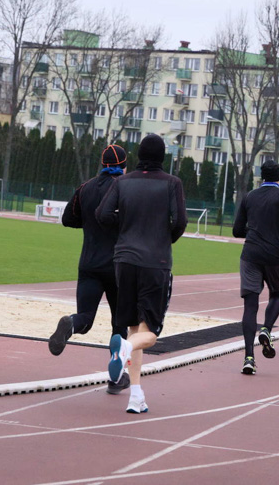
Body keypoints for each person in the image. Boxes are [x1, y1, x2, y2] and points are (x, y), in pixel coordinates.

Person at [97, 134, 187, 414]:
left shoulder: (122, 182)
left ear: (138, 156)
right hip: (155, 261)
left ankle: (135, 395)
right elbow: (180, 221)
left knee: (135, 327)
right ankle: (123, 349)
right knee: (150, 334)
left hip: (124, 260)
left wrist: (125, 227)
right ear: (163, 157)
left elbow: (102, 214)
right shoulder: (172, 183)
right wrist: (164, 238)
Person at [49, 144, 130, 395]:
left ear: (102, 164)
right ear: (124, 166)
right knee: (120, 324)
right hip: (118, 266)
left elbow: (67, 219)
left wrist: (91, 223)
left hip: (89, 263)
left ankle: (70, 324)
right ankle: (117, 378)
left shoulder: (85, 188)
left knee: (85, 318)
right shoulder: (127, 188)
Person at [232, 160, 279, 374]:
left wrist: (253, 233)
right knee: (276, 296)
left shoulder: (250, 196)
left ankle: (248, 358)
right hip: (276, 255)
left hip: (251, 254)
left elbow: (237, 230)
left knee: (250, 307)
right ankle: (266, 330)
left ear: (262, 177)